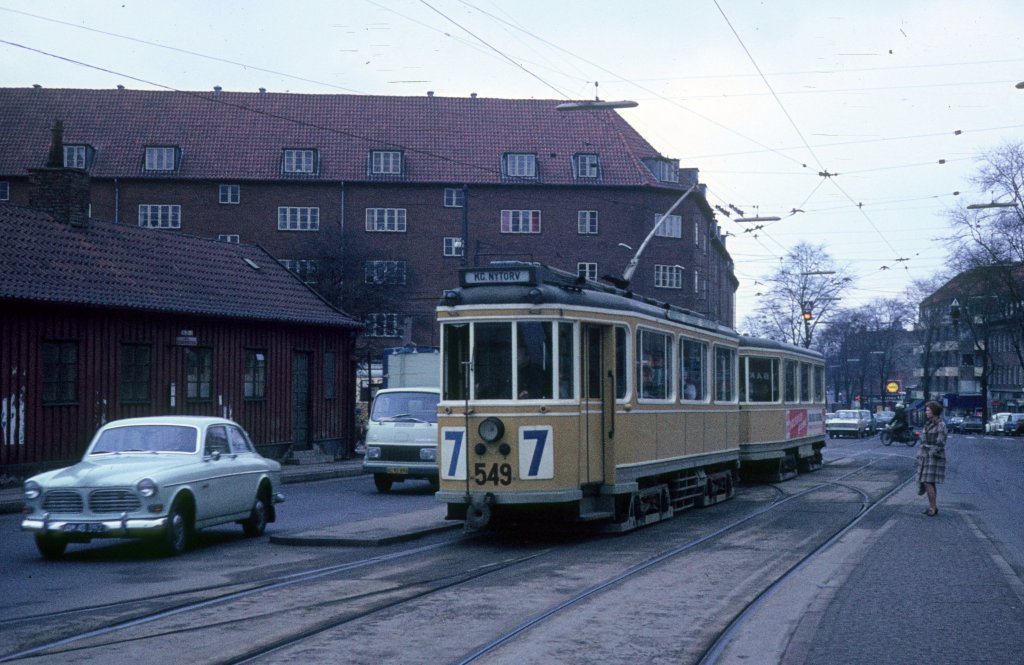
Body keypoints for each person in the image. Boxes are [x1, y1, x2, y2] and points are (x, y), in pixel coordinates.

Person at [917, 400, 947, 516]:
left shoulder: (940, 424)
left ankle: (933, 508)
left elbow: (941, 442)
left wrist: (931, 451)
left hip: (933, 457)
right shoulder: (928, 423)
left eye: (928, 410)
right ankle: (932, 506)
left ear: (934, 411)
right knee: (929, 482)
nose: (926, 412)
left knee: (927, 481)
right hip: (926, 456)